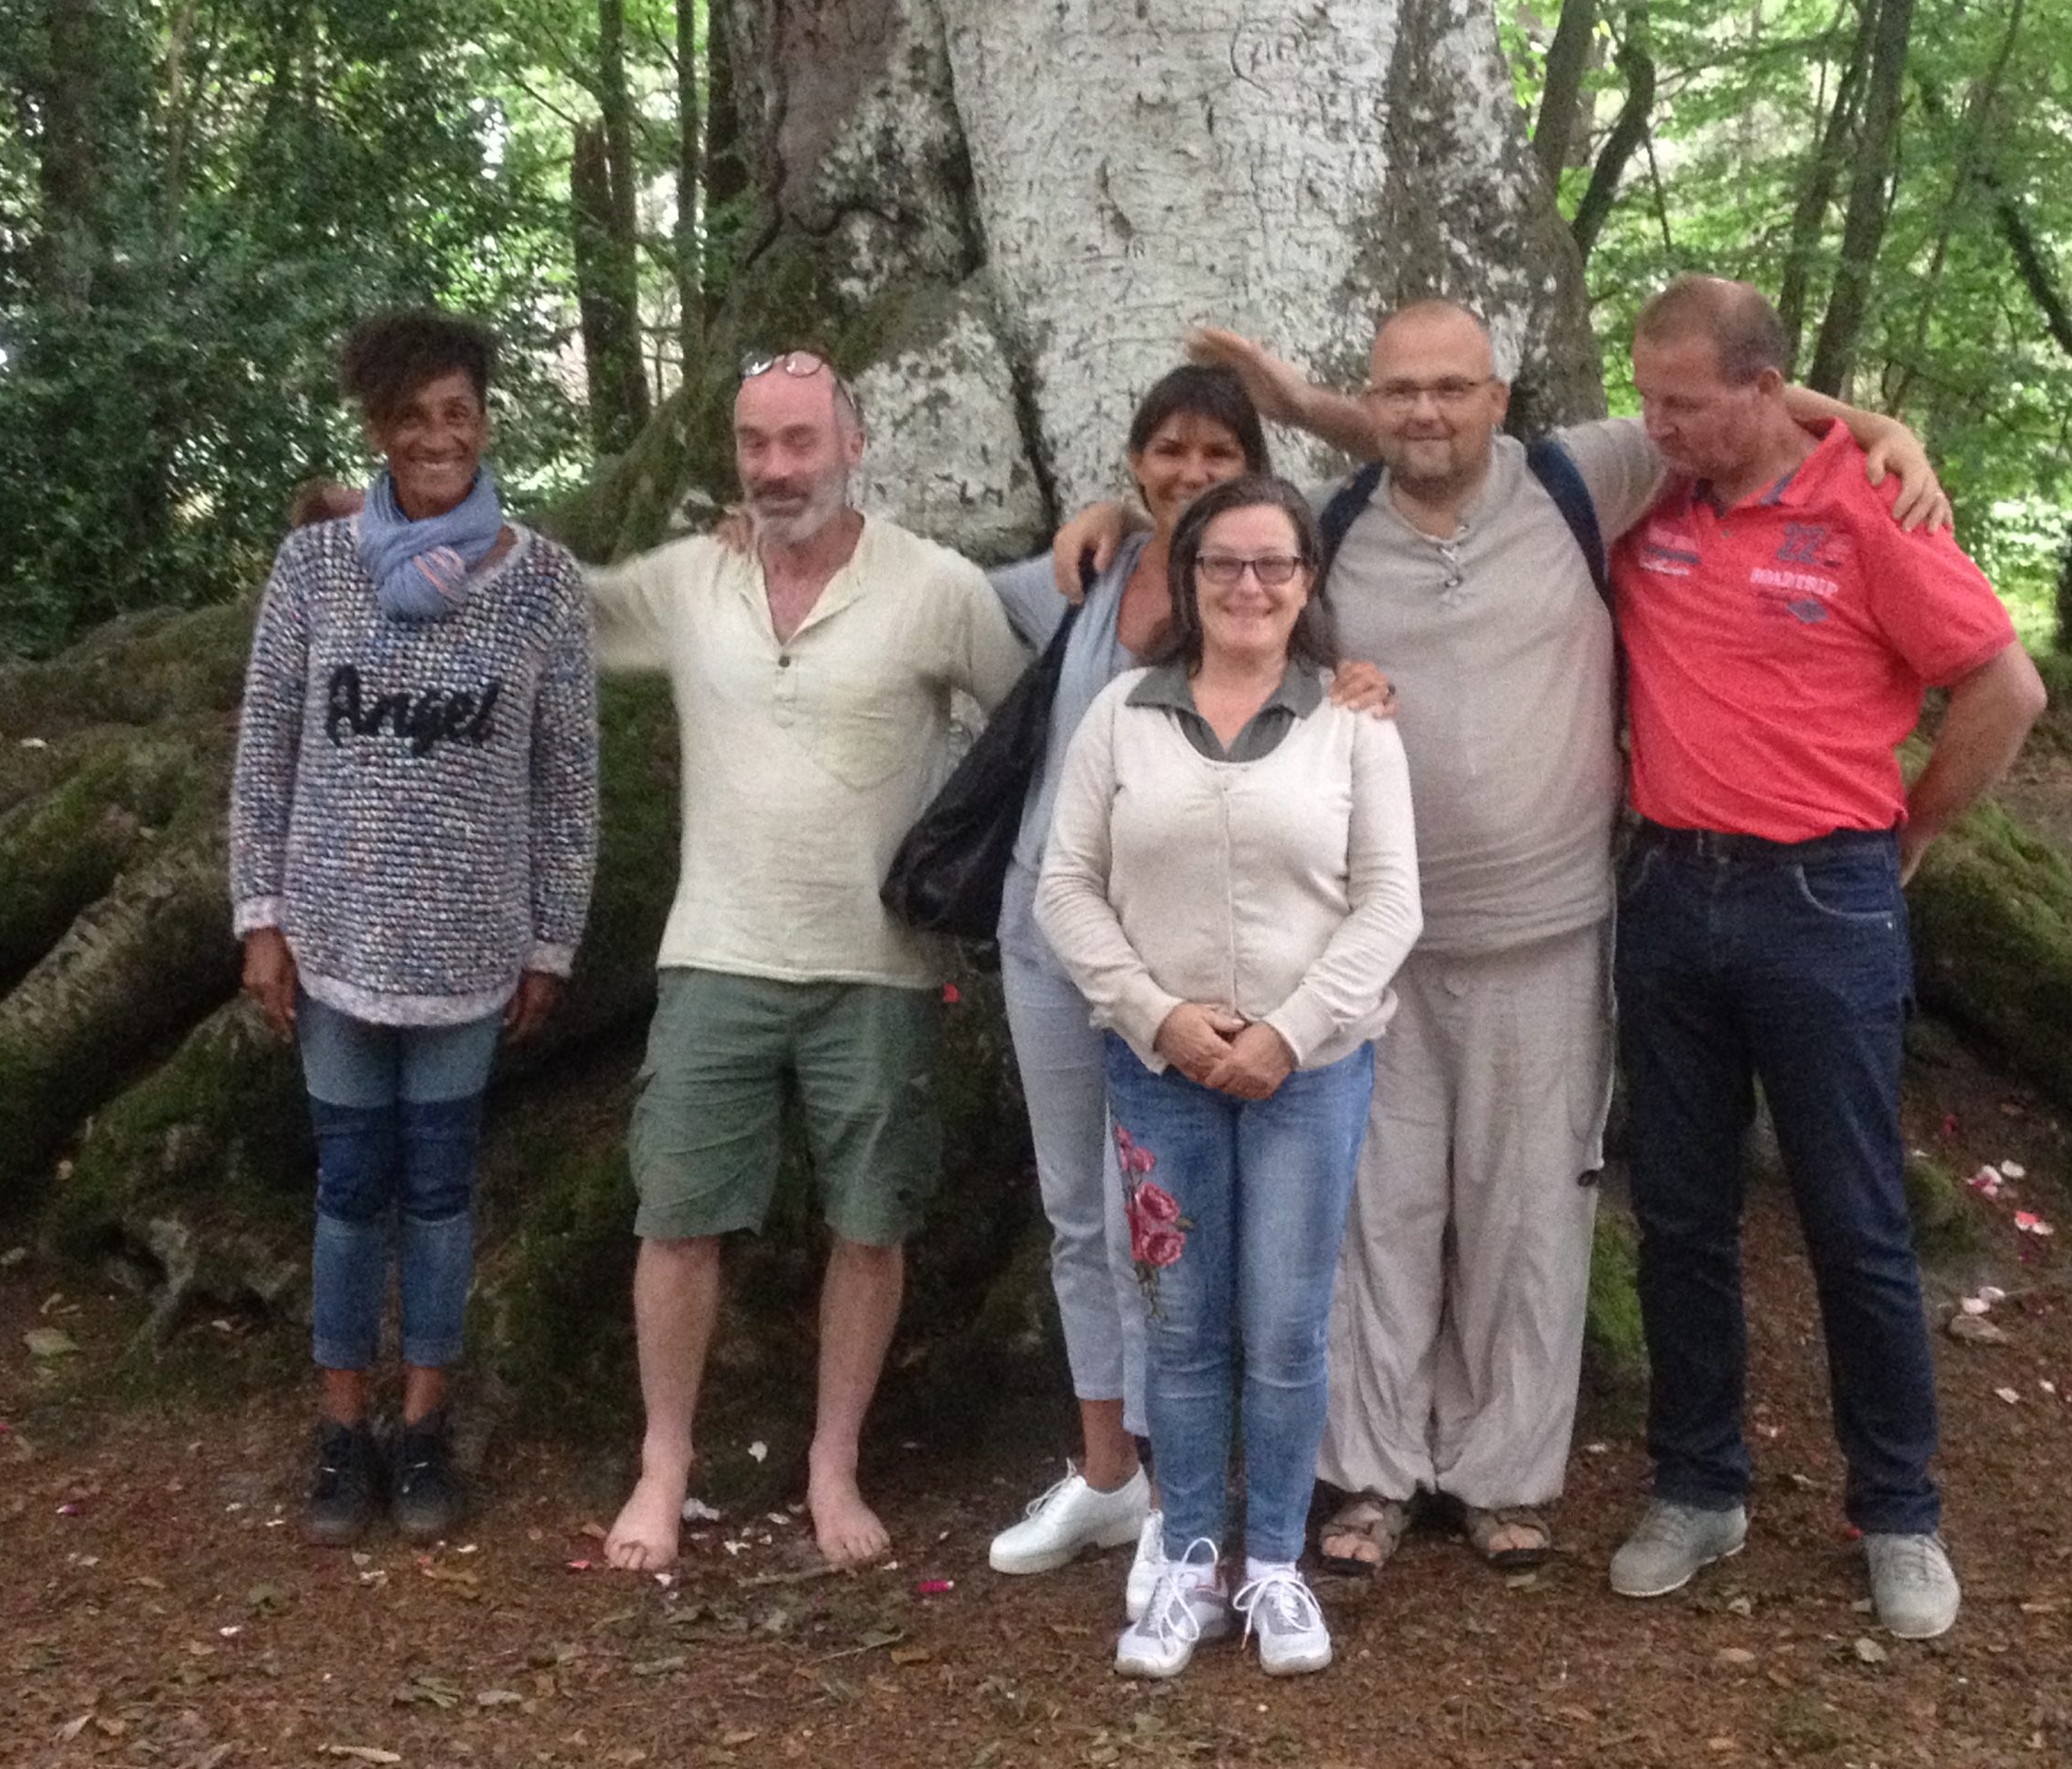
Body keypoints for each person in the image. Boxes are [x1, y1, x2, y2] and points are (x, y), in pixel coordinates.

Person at [1059, 302, 1949, 1576]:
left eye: (1453, 389)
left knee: (1528, 1214)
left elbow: (1746, 404)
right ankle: (1366, 1474)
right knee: (1378, 1217)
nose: (1426, 412)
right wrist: (1111, 516)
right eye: (1399, 391)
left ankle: (1502, 1475)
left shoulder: (1588, 476)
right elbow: (1219, 579)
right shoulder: (1332, 529)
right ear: (1370, 404)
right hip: (1370, 951)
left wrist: (1884, 429)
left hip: (1555, 929)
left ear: (1501, 394)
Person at [1604, 275, 2043, 1638]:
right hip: (1671, 889)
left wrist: (1910, 833)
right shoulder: (1649, 501)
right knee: (1678, 1210)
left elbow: (2006, 687)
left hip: (1825, 898)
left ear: (1760, 388)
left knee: (1854, 1222)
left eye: (1683, 402)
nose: (1656, 424)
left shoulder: (1868, 504)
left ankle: (1899, 1512)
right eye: (1646, 398)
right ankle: (1698, 1485)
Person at [592, 349, 1032, 1572]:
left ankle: (833, 1463)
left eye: (799, 441)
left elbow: (1034, 724)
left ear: (855, 443)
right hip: (715, 951)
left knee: (870, 1223)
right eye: (755, 444)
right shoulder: (693, 580)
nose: (777, 467)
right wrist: (418, 538)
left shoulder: (936, 590)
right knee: (676, 1217)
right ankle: (664, 1462)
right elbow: (561, 612)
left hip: (880, 963)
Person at [981, 367, 1392, 1618]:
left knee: (1191, 1250)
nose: (1190, 471)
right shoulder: (1080, 575)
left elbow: (1382, 878)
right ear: (1133, 462)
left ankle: (1192, 1510)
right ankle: (1110, 1469)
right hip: (1065, 943)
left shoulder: (1279, 609)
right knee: (1081, 1215)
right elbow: (920, 593)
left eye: (1218, 451)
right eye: (1166, 449)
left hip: (1240, 999)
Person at [230, 309, 599, 1547]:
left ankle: (425, 1426)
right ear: (378, 432)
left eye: (458, 411)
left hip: (473, 955)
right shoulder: (316, 568)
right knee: (348, 1191)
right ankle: (342, 1431)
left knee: (440, 1195)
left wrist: (552, 939)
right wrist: (260, 919)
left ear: (485, 419)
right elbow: (266, 749)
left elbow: (569, 780)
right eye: (412, 418)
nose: (438, 436)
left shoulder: (543, 581)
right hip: (331, 947)